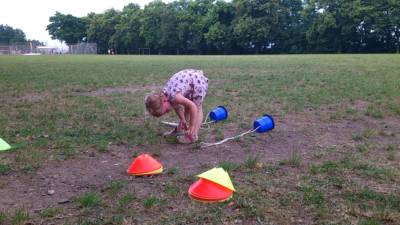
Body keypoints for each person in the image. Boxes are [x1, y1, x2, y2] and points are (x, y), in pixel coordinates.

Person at [145, 69, 208, 144]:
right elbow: (177, 107)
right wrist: (183, 119)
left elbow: (193, 106)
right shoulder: (165, 95)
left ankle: (193, 134)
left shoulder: (176, 97)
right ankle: (180, 130)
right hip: (188, 81)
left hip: (197, 82)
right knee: (187, 105)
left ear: (164, 101)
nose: (167, 112)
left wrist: (191, 125)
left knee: (197, 107)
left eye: (166, 111)